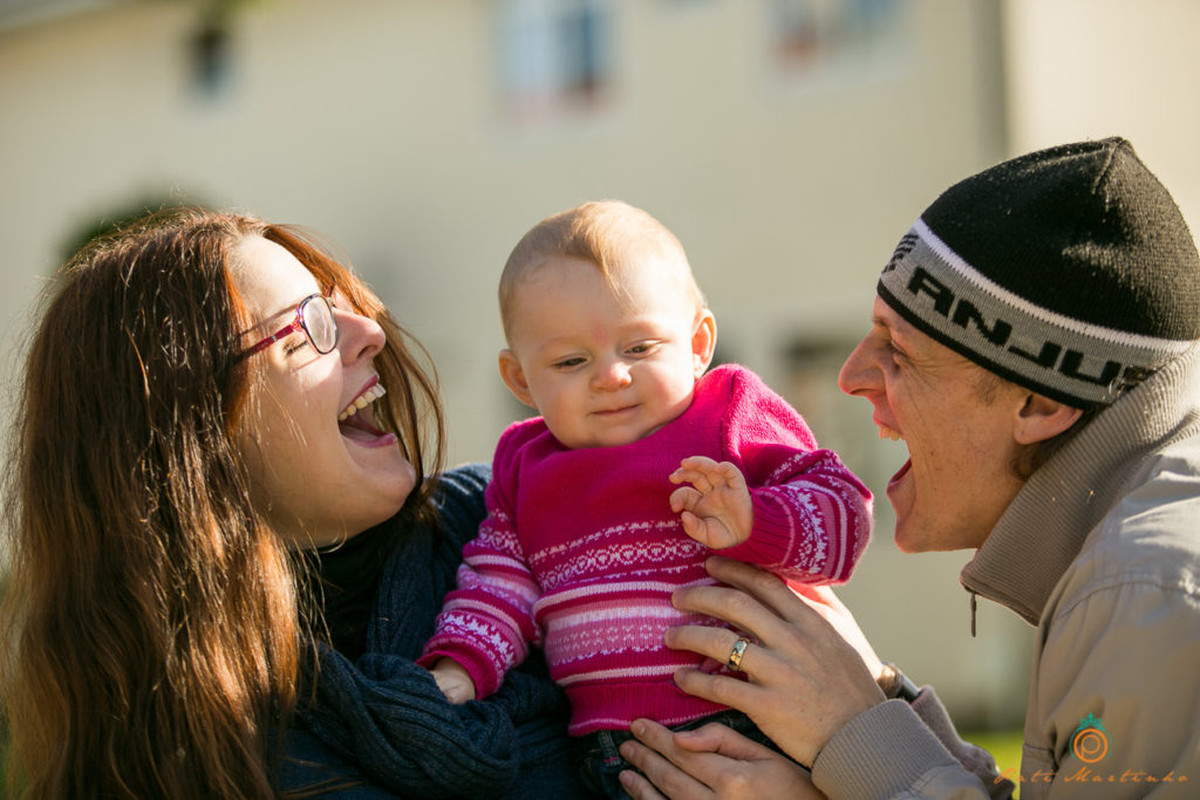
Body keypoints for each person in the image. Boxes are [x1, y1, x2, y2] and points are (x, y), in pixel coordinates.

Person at [616, 136, 1200, 799]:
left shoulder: (1147, 591)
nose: (850, 376)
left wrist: (852, 736)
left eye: (899, 351)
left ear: (1039, 402)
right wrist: (880, 703)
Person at [0, 207, 582, 798]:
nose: (371, 332)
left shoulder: (540, 526)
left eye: (340, 304)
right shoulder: (165, 764)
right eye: (311, 325)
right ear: (194, 432)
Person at [417, 200, 873, 796]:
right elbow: (498, 583)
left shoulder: (728, 415)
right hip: (611, 757)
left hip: (764, 727)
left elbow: (844, 519)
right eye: (571, 361)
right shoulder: (525, 467)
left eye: (638, 348)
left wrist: (755, 521)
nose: (611, 376)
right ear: (521, 379)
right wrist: (460, 666)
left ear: (698, 343)